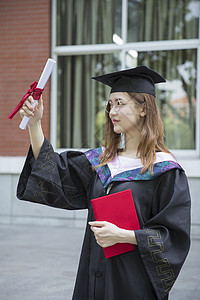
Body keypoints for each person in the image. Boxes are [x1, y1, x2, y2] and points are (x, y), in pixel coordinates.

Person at [17, 66, 191, 300]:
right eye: (110, 105)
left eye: (120, 103)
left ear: (142, 108)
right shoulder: (102, 162)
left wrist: (125, 235)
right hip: (93, 272)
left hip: (132, 281)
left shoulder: (165, 170)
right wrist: (35, 124)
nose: (112, 111)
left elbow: (174, 236)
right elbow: (55, 171)